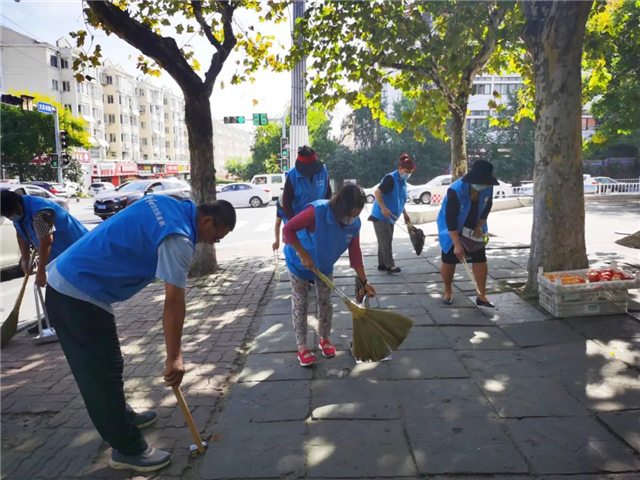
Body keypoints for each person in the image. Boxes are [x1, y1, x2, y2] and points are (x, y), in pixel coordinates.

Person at [44, 195, 236, 472]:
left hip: (79, 282)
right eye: (216, 237)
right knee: (99, 376)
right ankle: (127, 449)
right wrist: (174, 358)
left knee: (110, 365)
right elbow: (173, 302)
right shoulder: (178, 239)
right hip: (76, 293)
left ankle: (122, 417)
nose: (210, 243)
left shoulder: (167, 202)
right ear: (207, 221)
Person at [283, 184, 376, 367]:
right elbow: (288, 230)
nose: (351, 219)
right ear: (341, 206)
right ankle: (302, 346)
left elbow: (355, 253)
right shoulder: (317, 212)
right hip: (298, 262)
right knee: (301, 303)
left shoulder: (354, 224)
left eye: (355, 215)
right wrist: (302, 253)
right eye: (349, 214)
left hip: (324, 265)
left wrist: (364, 281)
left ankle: (324, 339)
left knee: (326, 302)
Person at [1, 189, 88, 332]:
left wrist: (41, 271)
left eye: (10, 213)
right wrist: (25, 259)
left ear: (17, 205)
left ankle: (76, 322)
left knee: (73, 287)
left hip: (77, 251)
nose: (11, 216)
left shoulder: (41, 212)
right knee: (57, 287)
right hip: (58, 255)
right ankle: (51, 319)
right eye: (7, 215)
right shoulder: (18, 214)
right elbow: (20, 235)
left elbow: (46, 241)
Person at [437, 159, 498, 308]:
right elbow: (450, 219)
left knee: (480, 258)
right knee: (450, 259)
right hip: (453, 227)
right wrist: (457, 245)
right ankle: (448, 292)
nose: (483, 185)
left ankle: (482, 295)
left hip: (474, 226)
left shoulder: (488, 187)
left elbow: (487, 208)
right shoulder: (455, 190)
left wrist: (480, 226)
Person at [369, 154, 416, 273]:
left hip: (391, 216)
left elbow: (400, 199)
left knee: (384, 240)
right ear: (400, 169)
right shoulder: (391, 179)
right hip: (381, 215)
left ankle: (382, 264)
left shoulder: (402, 181)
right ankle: (390, 265)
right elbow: (377, 192)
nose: (407, 174)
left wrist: (405, 214)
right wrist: (384, 208)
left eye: (410, 172)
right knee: (386, 240)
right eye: (406, 171)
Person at [282, 145, 332, 220]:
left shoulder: (323, 172)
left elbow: (328, 193)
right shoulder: (292, 176)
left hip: (320, 217)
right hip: (300, 219)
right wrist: (292, 221)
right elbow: (286, 202)